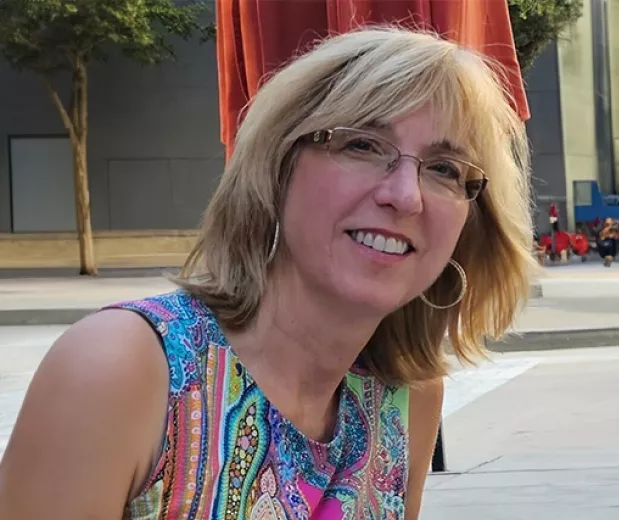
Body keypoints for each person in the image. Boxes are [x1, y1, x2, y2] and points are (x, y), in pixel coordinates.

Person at [0, 27, 535, 520]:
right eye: (363, 145)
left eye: (443, 169)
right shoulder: (125, 370)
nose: (404, 195)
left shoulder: (408, 399)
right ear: (277, 167)